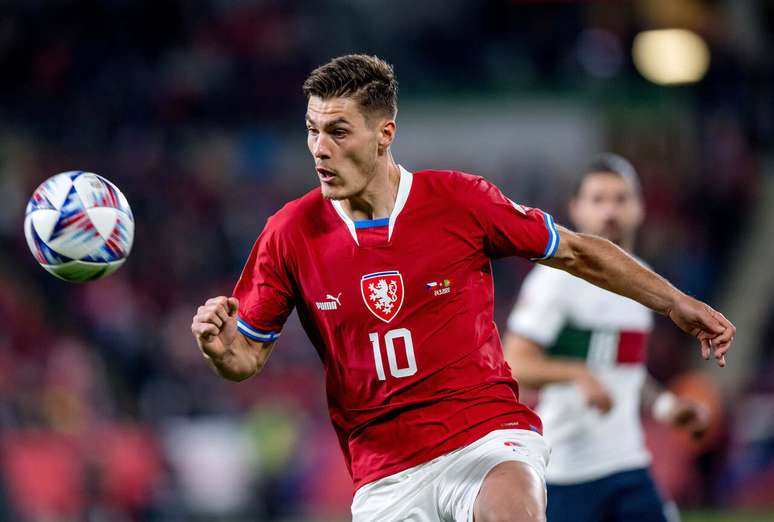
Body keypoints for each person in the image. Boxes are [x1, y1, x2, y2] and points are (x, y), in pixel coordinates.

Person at [190, 55, 734, 522]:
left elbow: (577, 250)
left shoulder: (458, 201)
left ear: (385, 134)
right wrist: (221, 350)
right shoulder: (289, 232)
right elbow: (247, 356)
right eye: (311, 130)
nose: (319, 149)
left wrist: (677, 303)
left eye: (337, 131)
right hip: (385, 468)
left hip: (484, 435)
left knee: (512, 505)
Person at [503, 154, 711, 522]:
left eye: (621, 198)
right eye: (598, 200)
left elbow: (626, 371)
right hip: (567, 469)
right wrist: (577, 374)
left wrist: (666, 407)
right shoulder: (556, 280)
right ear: (576, 209)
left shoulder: (645, 281)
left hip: (628, 462)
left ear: (640, 208)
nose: (610, 210)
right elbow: (514, 363)